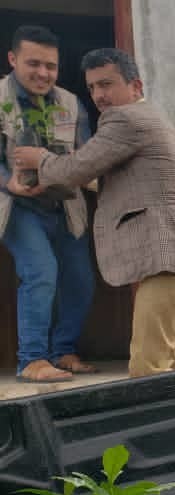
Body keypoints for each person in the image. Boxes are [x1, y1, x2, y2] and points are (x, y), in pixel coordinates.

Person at [15, 48, 175, 377]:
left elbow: (77, 168)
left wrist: (39, 159)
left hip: (174, 263)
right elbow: (107, 178)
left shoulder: (124, 119)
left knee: (146, 371)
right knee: (171, 368)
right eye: (93, 87)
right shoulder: (150, 118)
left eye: (107, 84)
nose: (99, 95)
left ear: (136, 86)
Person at [1, 25, 95, 382]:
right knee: (41, 272)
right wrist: (8, 180)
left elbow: (86, 156)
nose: (43, 73)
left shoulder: (72, 103)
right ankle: (32, 359)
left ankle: (64, 351)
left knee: (81, 280)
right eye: (33, 64)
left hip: (65, 206)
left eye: (50, 66)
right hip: (17, 206)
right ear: (13, 59)